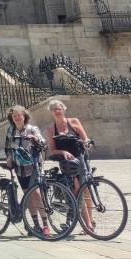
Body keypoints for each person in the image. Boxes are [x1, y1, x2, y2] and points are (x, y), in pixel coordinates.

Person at [44, 99, 93, 231]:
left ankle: (90, 222)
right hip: (67, 163)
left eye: (59, 108)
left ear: (64, 109)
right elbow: (52, 150)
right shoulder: (50, 129)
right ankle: (87, 224)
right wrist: (63, 151)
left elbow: (85, 138)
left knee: (86, 190)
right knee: (77, 190)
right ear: (51, 112)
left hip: (80, 159)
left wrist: (87, 143)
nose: (57, 110)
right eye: (54, 109)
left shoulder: (74, 122)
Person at [4, 105, 50, 238]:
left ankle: (46, 225)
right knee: (28, 195)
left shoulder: (32, 129)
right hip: (19, 167)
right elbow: (7, 147)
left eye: (20, 115)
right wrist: (9, 158)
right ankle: (35, 225)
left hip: (34, 165)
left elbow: (43, 142)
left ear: (25, 116)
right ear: (12, 118)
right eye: (15, 116)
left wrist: (36, 139)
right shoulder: (10, 130)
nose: (18, 118)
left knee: (36, 194)